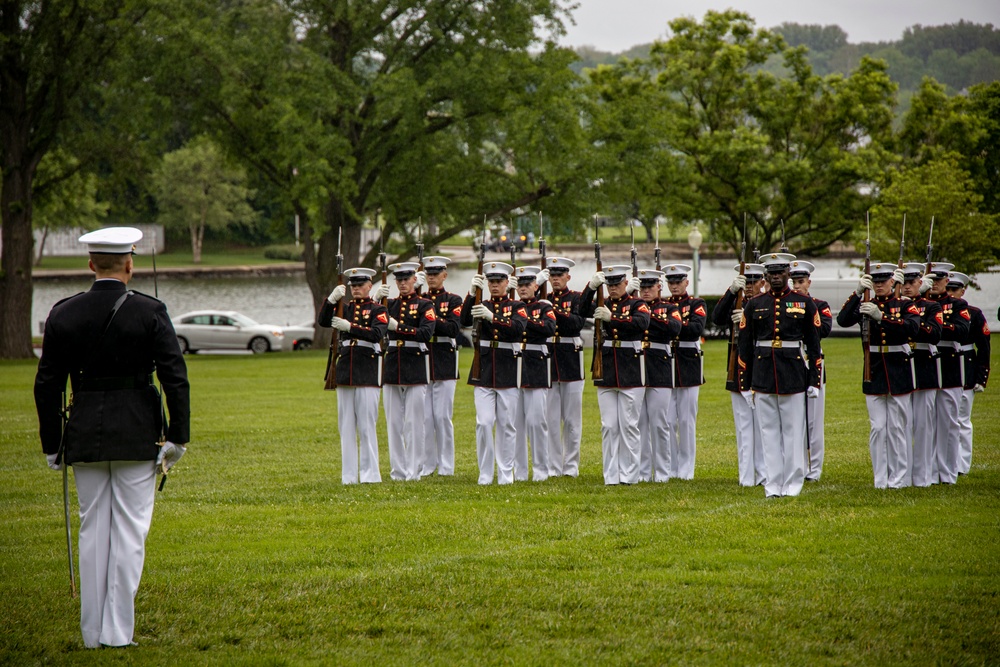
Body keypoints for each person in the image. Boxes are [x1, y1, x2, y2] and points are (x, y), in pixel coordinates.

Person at [34, 227, 190, 649]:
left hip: (84, 433)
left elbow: (46, 386)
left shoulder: (63, 312)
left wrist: (53, 443)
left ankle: (91, 633)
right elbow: (176, 377)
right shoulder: (150, 310)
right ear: (129, 264)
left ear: (90, 264)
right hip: (137, 432)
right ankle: (117, 632)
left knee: (93, 530)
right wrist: (178, 437)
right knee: (129, 533)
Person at [737, 253, 823, 498]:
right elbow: (745, 346)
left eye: (780, 273)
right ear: (766, 276)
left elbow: (813, 345)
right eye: (771, 273)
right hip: (763, 375)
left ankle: (793, 484)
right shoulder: (754, 304)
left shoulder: (804, 303)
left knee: (794, 433)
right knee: (769, 433)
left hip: (793, 373)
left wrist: (814, 380)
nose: (776, 277)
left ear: (788, 274)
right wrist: (745, 383)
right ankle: (773, 484)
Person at [836, 262, 920, 489]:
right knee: (878, 428)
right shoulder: (866, 303)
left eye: (883, 281)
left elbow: (912, 329)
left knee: (897, 428)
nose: (879, 285)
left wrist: (882, 318)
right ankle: (880, 479)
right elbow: (842, 320)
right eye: (875, 281)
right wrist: (856, 294)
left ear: (893, 281)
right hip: (873, 370)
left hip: (898, 369)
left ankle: (899, 478)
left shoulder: (904, 304)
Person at [582, 265, 650, 485]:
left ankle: (630, 475)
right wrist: (591, 288)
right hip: (607, 368)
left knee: (629, 425)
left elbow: (642, 324)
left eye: (616, 284)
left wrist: (613, 319)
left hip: (630, 368)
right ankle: (611, 475)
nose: (612, 288)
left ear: (625, 283)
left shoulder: (636, 304)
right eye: (609, 285)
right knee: (609, 426)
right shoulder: (602, 303)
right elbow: (580, 309)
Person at [321, 267, 389, 484]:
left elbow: (377, 333)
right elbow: (323, 320)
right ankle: (348, 476)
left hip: (367, 368)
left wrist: (350, 326)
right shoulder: (344, 307)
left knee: (367, 425)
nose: (356, 289)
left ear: (370, 286)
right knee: (346, 426)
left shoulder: (378, 309)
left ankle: (370, 475)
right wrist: (331, 301)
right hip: (345, 368)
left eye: (360, 285)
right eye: (353, 285)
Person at [461, 262, 527, 484]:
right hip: (484, 367)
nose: (495, 285)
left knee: (507, 424)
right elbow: (462, 321)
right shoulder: (481, 302)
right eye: (491, 281)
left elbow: (518, 329)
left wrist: (492, 318)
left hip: (508, 366)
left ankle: (506, 473)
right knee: (484, 422)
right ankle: (485, 472)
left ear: (507, 283)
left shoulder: (516, 305)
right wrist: (471, 295)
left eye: (499, 281)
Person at [712, 262, 767, 487]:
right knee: (744, 427)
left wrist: (746, 318)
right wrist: (732, 291)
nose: (750, 286)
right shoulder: (737, 301)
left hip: (763, 367)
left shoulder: (767, 303)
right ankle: (746, 477)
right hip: (739, 367)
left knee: (764, 426)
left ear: (763, 282)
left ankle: (764, 474)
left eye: (754, 282)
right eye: (747, 283)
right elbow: (716, 317)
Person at [382, 262, 436, 481]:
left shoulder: (425, 305)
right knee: (393, 423)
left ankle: (414, 470)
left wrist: (399, 328)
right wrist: (377, 300)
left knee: (414, 423)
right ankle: (398, 471)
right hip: (393, 364)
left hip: (415, 364)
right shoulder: (389, 304)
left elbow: (426, 333)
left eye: (407, 279)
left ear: (415, 279)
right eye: (399, 280)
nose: (403, 284)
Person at [924, 262, 971, 484]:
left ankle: (949, 471)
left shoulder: (957, 304)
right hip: (927, 365)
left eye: (938, 279)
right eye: (930, 279)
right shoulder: (920, 304)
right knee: (928, 422)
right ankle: (931, 470)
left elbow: (962, 330)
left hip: (949, 363)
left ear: (946, 280)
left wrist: (937, 326)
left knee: (950, 422)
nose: (934, 284)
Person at [789, 260, 833, 481]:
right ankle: (799, 466)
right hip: (793, 361)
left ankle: (814, 470)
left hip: (813, 361)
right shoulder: (787, 304)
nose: (797, 286)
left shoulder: (819, 304)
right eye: (794, 282)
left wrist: (807, 308)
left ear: (809, 282)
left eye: (800, 282)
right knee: (796, 419)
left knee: (814, 421)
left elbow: (824, 329)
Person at [899, 262, 943, 487]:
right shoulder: (896, 306)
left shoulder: (931, 306)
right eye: (903, 283)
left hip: (924, 365)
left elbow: (935, 334)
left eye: (911, 283)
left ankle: (923, 476)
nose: (907, 287)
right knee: (903, 425)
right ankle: (904, 475)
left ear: (920, 283)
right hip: (903, 366)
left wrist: (913, 321)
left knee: (924, 426)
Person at [420, 256, 464, 477]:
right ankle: (428, 464)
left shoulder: (454, 300)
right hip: (422, 357)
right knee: (425, 417)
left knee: (442, 417)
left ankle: (446, 465)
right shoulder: (417, 298)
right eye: (428, 273)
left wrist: (428, 318)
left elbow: (453, 329)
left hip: (445, 358)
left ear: (444, 275)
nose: (431, 277)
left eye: (435, 274)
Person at [512, 266, 556, 481]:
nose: (522, 288)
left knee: (537, 421)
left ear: (536, 286)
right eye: (519, 285)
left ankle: (540, 469)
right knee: (515, 423)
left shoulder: (543, 306)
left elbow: (548, 329)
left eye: (527, 284)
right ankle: (519, 471)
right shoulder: (509, 306)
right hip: (513, 363)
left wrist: (521, 319)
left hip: (536, 364)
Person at [638, 269, 682, 482]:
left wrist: (647, 316)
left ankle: (663, 472)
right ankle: (644, 472)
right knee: (640, 423)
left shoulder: (669, 308)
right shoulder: (633, 306)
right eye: (642, 288)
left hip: (659, 364)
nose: (646, 291)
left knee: (659, 422)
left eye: (650, 287)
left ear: (659, 287)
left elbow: (674, 327)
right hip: (637, 364)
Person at [663, 264, 707, 480]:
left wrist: (671, 324)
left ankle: (686, 469)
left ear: (686, 282)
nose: (674, 286)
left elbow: (695, 330)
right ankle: (671, 467)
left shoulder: (696, 304)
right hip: (665, 363)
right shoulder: (662, 305)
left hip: (688, 363)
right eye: (670, 282)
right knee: (668, 420)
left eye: (678, 282)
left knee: (687, 422)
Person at [544, 257, 587, 477]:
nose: (555, 279)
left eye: (559, 275)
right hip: (549, 360)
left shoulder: (577, 298)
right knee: (551, 420)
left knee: (572, 421)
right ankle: (553, 467)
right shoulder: (543, 297)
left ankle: (570, 466)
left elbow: (576, 324)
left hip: (570, 359)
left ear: (568, 277)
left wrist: (552, 310)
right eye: (552, 275)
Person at [945, 272, 990, 475]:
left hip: (965, 365)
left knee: (962, 418)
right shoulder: (937, 309)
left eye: (954, 290)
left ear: (963, 291)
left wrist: (982, 376)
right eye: (948, 289)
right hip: (944, 364)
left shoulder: (973, 313)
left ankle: (962, 464)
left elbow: (984, 347)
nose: (950, 294)